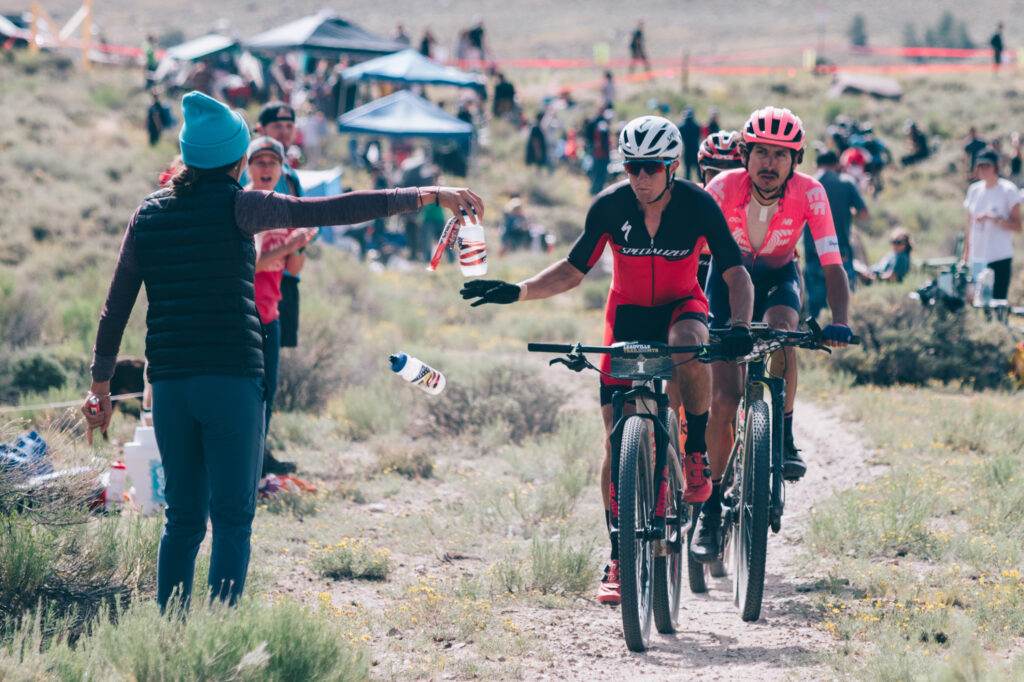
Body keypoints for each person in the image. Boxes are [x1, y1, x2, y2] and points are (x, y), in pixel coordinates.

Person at [81, 91, 483, 612]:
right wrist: (429, 193)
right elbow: (336, 209)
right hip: (231, 381)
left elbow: (114, 310)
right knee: (231, 520)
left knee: (181, 520)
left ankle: (170, 637)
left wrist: (100, 388)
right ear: (237, 158)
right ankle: (222, 634)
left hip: (172, 387)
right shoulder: (243, 204)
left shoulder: (148, 215)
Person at [460, 115, 755, 605]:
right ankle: (619, 553)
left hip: (683, 306)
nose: (640, 177)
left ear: (672, 166)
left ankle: (696, 451)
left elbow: (736, 275)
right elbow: (574, 269)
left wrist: (741, 327)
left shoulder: (699, 205)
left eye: (651, 167)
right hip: (628, 316)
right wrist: (517, 291)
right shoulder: (611, 206)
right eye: (632, 167)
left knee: (689, 342)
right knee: (615, 439)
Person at [693, 107, 854, 564]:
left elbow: (832, 262)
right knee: (724, 399)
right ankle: (709, 508)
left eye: (780, 155)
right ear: (745, 155)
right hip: (728, 283)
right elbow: (691, 255)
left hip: (781, 276)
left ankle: (781, 433)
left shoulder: (812, 193)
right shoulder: (722, 188)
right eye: (760, 152)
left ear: (795, 161)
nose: (768, 163)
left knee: (785, 332)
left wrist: (840, 320)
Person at [245, 137, 317, 459]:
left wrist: (300, 243)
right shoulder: (243, 204)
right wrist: (290, 245)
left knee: (268, 394)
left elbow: (293, 267)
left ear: (281, 168)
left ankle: (257, 463)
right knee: (243, 394)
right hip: (243, 315)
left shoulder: (283, 208)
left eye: (272, 162)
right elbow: (253, 264)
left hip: (271, 314)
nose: (266, 168)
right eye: (259, 161)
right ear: (247, 167)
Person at [803, 149, 868, 319]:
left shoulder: (808, 184)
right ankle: (843, 336)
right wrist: (847, 212)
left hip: (813, 250)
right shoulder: (846, 183)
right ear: (837, 164)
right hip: (840, 250)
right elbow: (863, 213)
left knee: (816, 304)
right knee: (844, 303)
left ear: (816, 165)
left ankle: (816, 340)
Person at [962, 148, 1022, 300]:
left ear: (996, 166)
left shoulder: (1008, 190)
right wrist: (965, 256)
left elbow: (1018, 226)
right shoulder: (974, 190)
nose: (983, 170)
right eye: (980, 166)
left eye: (987, 166)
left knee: (997, 302)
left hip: (999, 256)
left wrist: (994, 218)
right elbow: (969, 227)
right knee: (977, 301)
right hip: (978, 257)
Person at [696, 130, 745, 286]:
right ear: (702, 173)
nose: (722, 183)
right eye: (714, 174)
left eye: (732, 174)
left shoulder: (759, 205)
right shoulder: (688, 202)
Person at [584, 107, 613, 195]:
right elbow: (590, 137)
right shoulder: (594, 123)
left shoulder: (605, 122)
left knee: (602, 173)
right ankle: (594, 192)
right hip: (597, 153)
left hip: (604, 153)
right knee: (596, 173)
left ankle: (600, 192)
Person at [678, 108, 702, 181]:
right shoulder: (697, 126)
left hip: (687, 151)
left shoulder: (682, 127)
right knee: (699, 173)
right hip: (696, 151)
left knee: (687, 174)